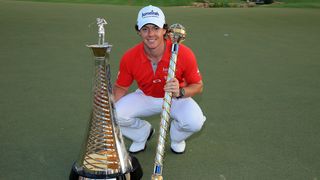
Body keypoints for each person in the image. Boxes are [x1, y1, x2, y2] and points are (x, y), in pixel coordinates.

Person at [113, 5, 206, 154]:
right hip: (145, 96)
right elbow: (121, 87)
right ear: (138, 31)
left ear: (164, 30)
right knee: (112, 115)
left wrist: (180, 91)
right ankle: (142, 133)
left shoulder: (183, 53)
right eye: (145, 29)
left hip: (176, 99)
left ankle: (176, 137)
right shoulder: (129, 57)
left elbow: (198, 86)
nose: (151, 34)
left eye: (156, 28)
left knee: (195, 122)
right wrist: (106, 105)